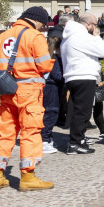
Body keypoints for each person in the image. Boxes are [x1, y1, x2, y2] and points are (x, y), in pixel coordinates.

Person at [0, 6, 55, 191]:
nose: (42, 28)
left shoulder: (3, 36)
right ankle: (27, 177)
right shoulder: (34, 36)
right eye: (43, 24)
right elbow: (44, 66)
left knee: (6, 133)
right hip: (29, 92)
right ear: (37, 20)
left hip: (7, 90)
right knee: (30, 132)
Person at [61, 13, 104, 155]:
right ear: (88, 24)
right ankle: (76, 143)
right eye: (95, 25)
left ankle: (77, 140)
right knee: (83, 112)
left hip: (72, 76)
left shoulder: (69, 36)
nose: (95, 27)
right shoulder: (81, 36)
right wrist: (96, 36)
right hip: (83, 76)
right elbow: (103, 51)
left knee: (77, 110)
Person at [41, 23, 65, 155]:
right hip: (52, 88)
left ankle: (47, 138)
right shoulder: (55, 58)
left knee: (48, 112)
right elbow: (57, 76)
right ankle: (44, 139)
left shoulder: (46, 54)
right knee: (51, 112)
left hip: (47, 87)